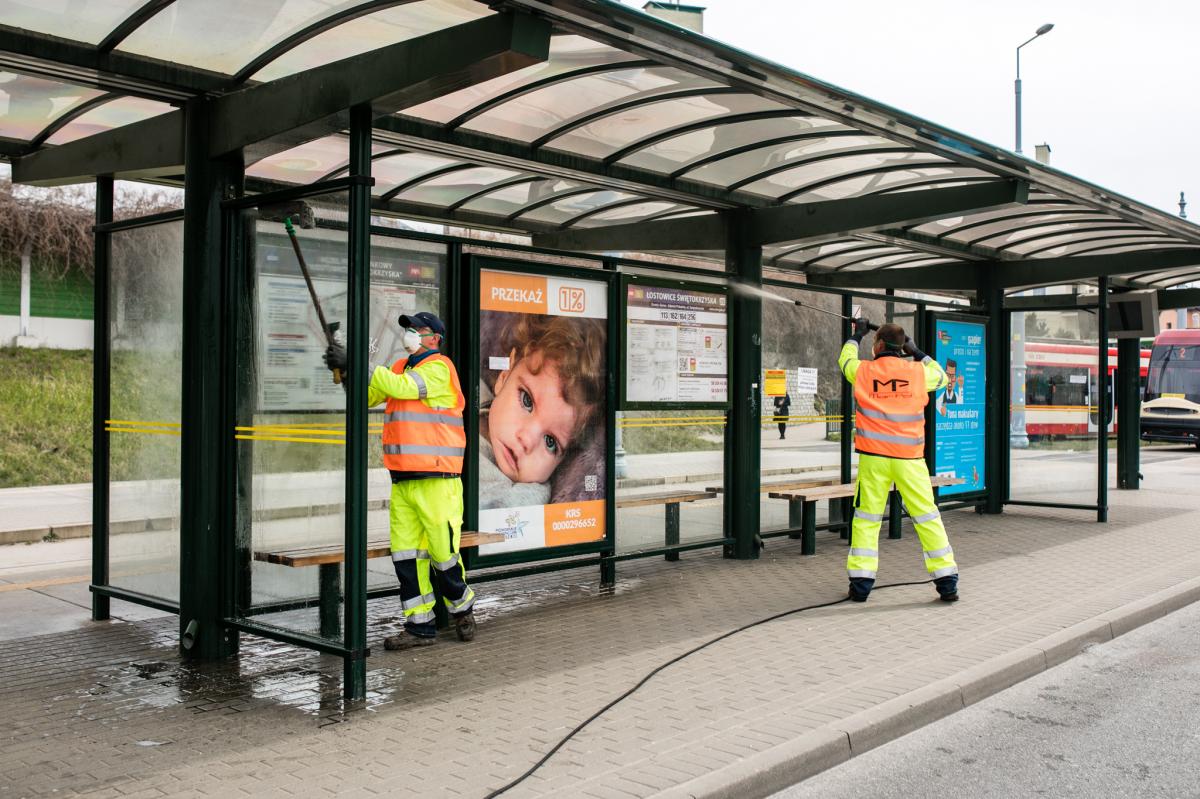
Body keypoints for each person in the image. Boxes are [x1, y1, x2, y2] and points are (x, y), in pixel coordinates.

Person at [324, 311, 475, 650]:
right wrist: (347, 371)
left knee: (443, 553)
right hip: (404, 480)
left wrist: (355, 360)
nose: (410, 334)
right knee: (406, 556)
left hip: (439, 479)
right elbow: (366, 398)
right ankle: (419, 626)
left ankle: (462, 610)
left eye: (418, 329)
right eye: (408, 329)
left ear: (435, 337)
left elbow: (403, 389)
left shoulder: (439, 369)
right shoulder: (398, 368)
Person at [838, 320, 959, 603]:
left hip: (874, 460)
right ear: (901, 348)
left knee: (867, 520)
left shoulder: (865, 371)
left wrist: (856, 335)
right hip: (910, 460)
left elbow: (845, 361)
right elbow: (941, 375)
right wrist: (917, 351)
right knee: (927, 517)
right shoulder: (918, 372)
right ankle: (947, 583)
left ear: (878, 346)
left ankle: (860, 587)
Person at [479, 314, 605, 510]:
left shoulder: (516, 495)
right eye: (527, 401)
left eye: (550, 442)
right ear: (504, 376)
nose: (527, 440)